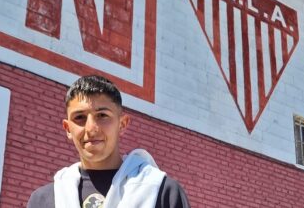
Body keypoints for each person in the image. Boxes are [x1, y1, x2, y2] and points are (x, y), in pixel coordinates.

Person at [27, 75, 190, 208]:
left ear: (122, 124)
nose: (91, 128)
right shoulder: (45, 200)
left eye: (102, 116)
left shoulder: (162, 191)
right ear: (68, 128)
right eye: (80, 118)